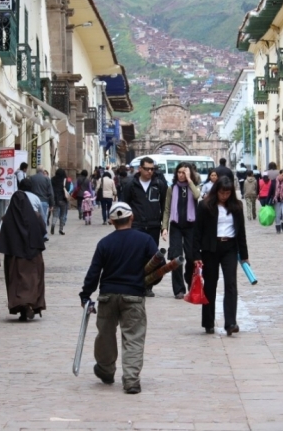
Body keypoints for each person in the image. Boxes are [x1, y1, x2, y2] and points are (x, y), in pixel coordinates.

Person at [79, 202, 157, 395]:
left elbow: (94, 272)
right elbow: (157, 266)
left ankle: (106, 370)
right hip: (134, 295)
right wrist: (147, 283)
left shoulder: (105, 243)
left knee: (105, 335)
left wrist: (86, 294)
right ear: (132, 218)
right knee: (133, 337)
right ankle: (131, 380)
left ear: (112, 221)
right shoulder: (145, 240)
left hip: (108, 295)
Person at [193, 176, 249, 336]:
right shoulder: (205, 206)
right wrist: (195, 254)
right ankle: (208, 322)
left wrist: (244, 255)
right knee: (210, 284)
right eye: (222, 193)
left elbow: (241, 232)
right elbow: (197, 232)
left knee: (231, 284)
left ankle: (231, 322)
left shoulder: (237, 207)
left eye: (227, 193)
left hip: (230, 248)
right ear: (216, 191)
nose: (224, 196)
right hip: (210, 248)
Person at [0, 186, 47, 321]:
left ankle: (22, 307)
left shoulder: (8, 219)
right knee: (32, 280)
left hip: (15, 255)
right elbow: (43, 231)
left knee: (17, 282)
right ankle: (30, 304)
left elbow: (4, 236)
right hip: (33, 254)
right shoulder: (35, 216)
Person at [123, 157, 167, 297]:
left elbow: (164, 206)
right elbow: (125, 204)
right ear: (140, 169)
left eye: (152, 169)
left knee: (153, 258)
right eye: (147, 168)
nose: (149, 171)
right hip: (136, 225)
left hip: (153, 226)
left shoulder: (158, 184)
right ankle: (135, 284)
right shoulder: (131, 184)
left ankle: (148, 285)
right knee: (136, 256)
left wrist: (163, 226)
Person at [161, 162, 201, 299]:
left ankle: (189, 280)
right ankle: (178, 289)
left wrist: (190, 180)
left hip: (192, 226)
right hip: (176, 226)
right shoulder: (171, 188)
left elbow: (197, 196)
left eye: (185, 172)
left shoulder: (193, 187)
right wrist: (164, 227)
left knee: (191, 257)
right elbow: (167, 209)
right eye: (179, 172)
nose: (181, 175)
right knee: (176, 257)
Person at [264, 168, 283, 241]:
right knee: (278, 215)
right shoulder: (273, 182)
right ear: (279, 174)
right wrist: (267, 201)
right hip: (276, 200)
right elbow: (270, 192)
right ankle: (278, 228)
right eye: (282, 175)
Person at [50, 168, 70, 236]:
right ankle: (61, 229)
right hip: (63, 200)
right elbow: (68, 188)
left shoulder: (52, 179)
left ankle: (53, 224)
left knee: (55, 215)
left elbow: (51, 189)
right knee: (62, 215)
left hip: (55, 199)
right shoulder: (65, 180)